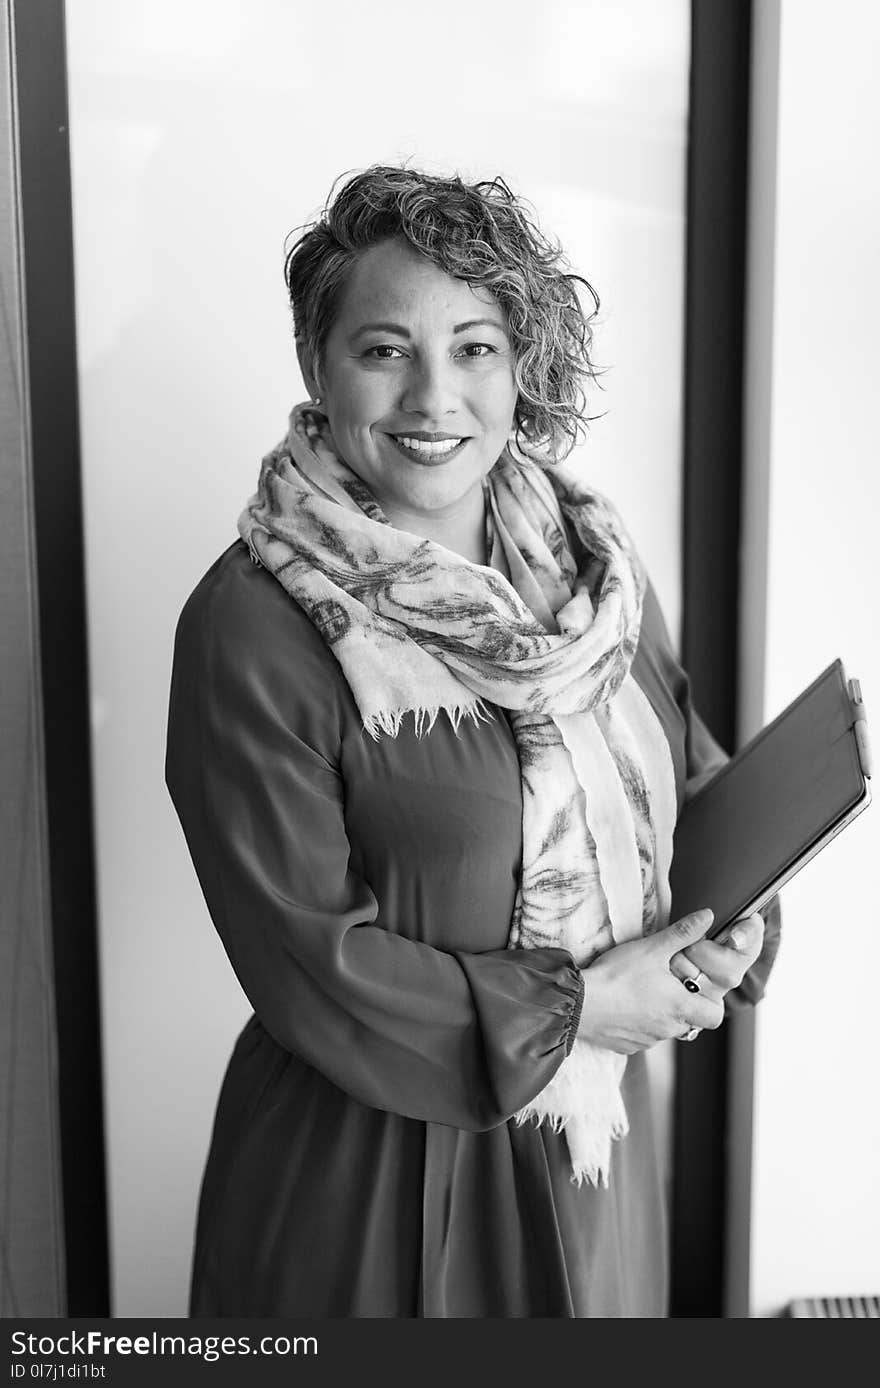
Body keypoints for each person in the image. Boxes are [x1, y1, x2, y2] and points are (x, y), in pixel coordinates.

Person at [165, 164, 780, 1318]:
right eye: (384, 348)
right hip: (372, 1176)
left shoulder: (588, 571)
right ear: (318, 365)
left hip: (591, 1150)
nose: (433, 397)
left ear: (520, 362)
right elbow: (309, 960)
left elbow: (687, 784)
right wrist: (579, 1007)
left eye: (476, 348)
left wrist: (734, 916)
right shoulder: (251, 625)